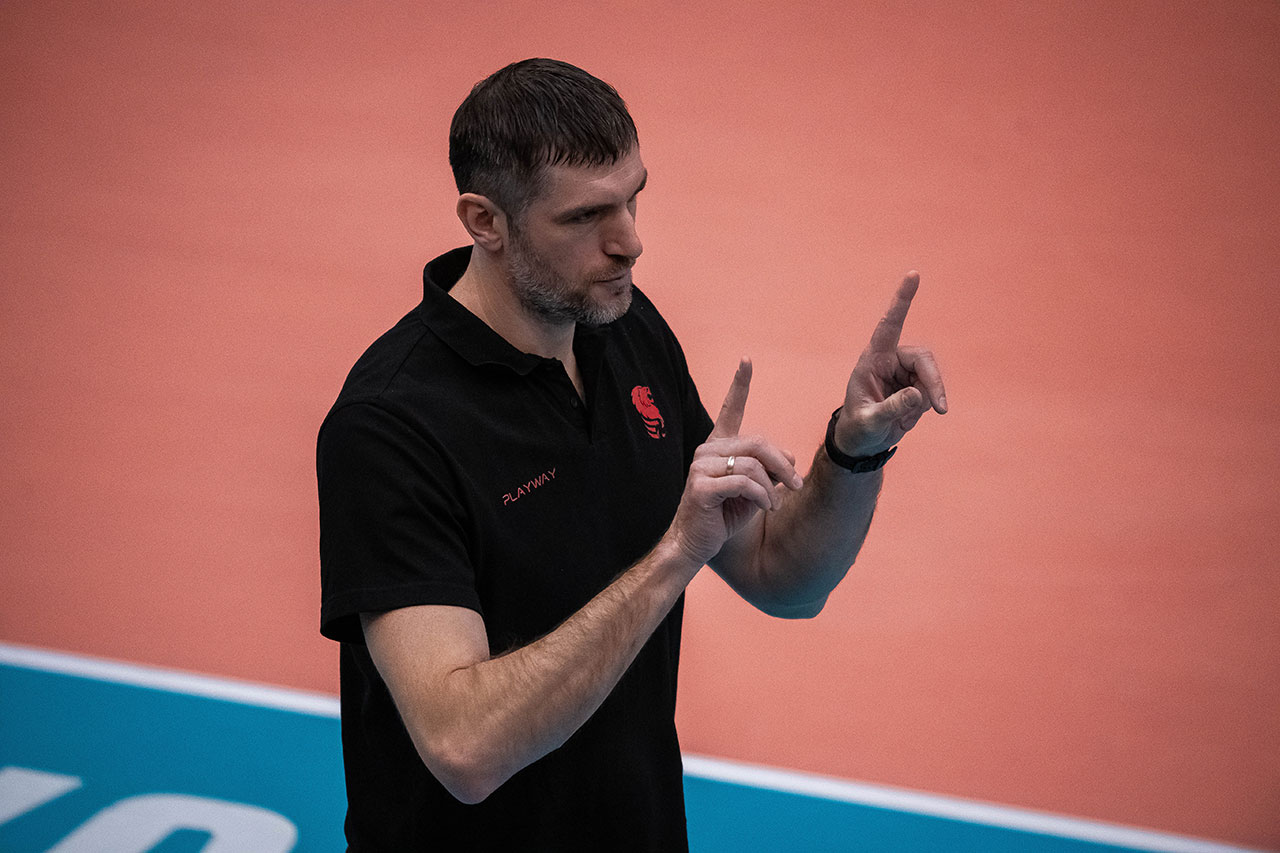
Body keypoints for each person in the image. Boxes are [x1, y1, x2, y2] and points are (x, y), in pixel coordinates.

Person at [317, 57, 946, 851]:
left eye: (633, 197)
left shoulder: (624, 330)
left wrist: (853, 450)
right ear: (485, 221)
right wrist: (675, 554)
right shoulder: (389, 426)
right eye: (585, 217)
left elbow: (780, 573)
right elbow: (464, 745)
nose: (630, 242)